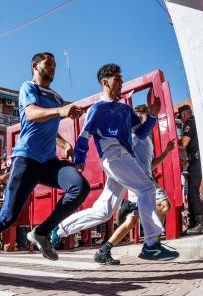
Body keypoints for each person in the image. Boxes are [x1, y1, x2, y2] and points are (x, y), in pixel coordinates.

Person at [0, 52, 90, 272]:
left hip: (48, 162)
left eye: (55, 65)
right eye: (49, 64)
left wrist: (64, 144)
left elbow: (47, 126)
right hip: (26, 159)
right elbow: (31, 115)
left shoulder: (56, 97)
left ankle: (42, 232)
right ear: (35, 66)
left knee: (80, 186)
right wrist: (60, 110)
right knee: (7, 218)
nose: (53, 68)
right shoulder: (28, 88)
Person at [50, 64, 179, 261]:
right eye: (117, 79)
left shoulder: (126, 110)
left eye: (121, 79)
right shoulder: (97, 109)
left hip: (123, 158)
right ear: (105, 82)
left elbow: (142, 134)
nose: (120, 83)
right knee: (146, 188)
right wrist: (79, 163)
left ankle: (59, 229)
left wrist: (152, 115)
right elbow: (84, 138)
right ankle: (151, 244)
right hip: (113, 155)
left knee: (103, 212)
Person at [91, 104, 176, 264]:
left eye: (142, 117)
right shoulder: (135, 136)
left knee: (131, 221)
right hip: (141, 182)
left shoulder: (145, 139)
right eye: (140, 117)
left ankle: (104, 251)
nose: (142, 120)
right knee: (165, 206)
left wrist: (166, 152)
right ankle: (152, 241)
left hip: (140, 182)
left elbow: (150, 164)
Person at [178, 105, 203, 234]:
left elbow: (184, 143)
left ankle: (199, 222)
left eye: (180, 117)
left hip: (196, 160)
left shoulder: (190, 124)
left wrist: (171, 143)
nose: (181, 120)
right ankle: (194, 223)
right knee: (191, 192)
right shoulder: (194, 122)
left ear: (184, 115)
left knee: (193, 190)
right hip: (193, 160)